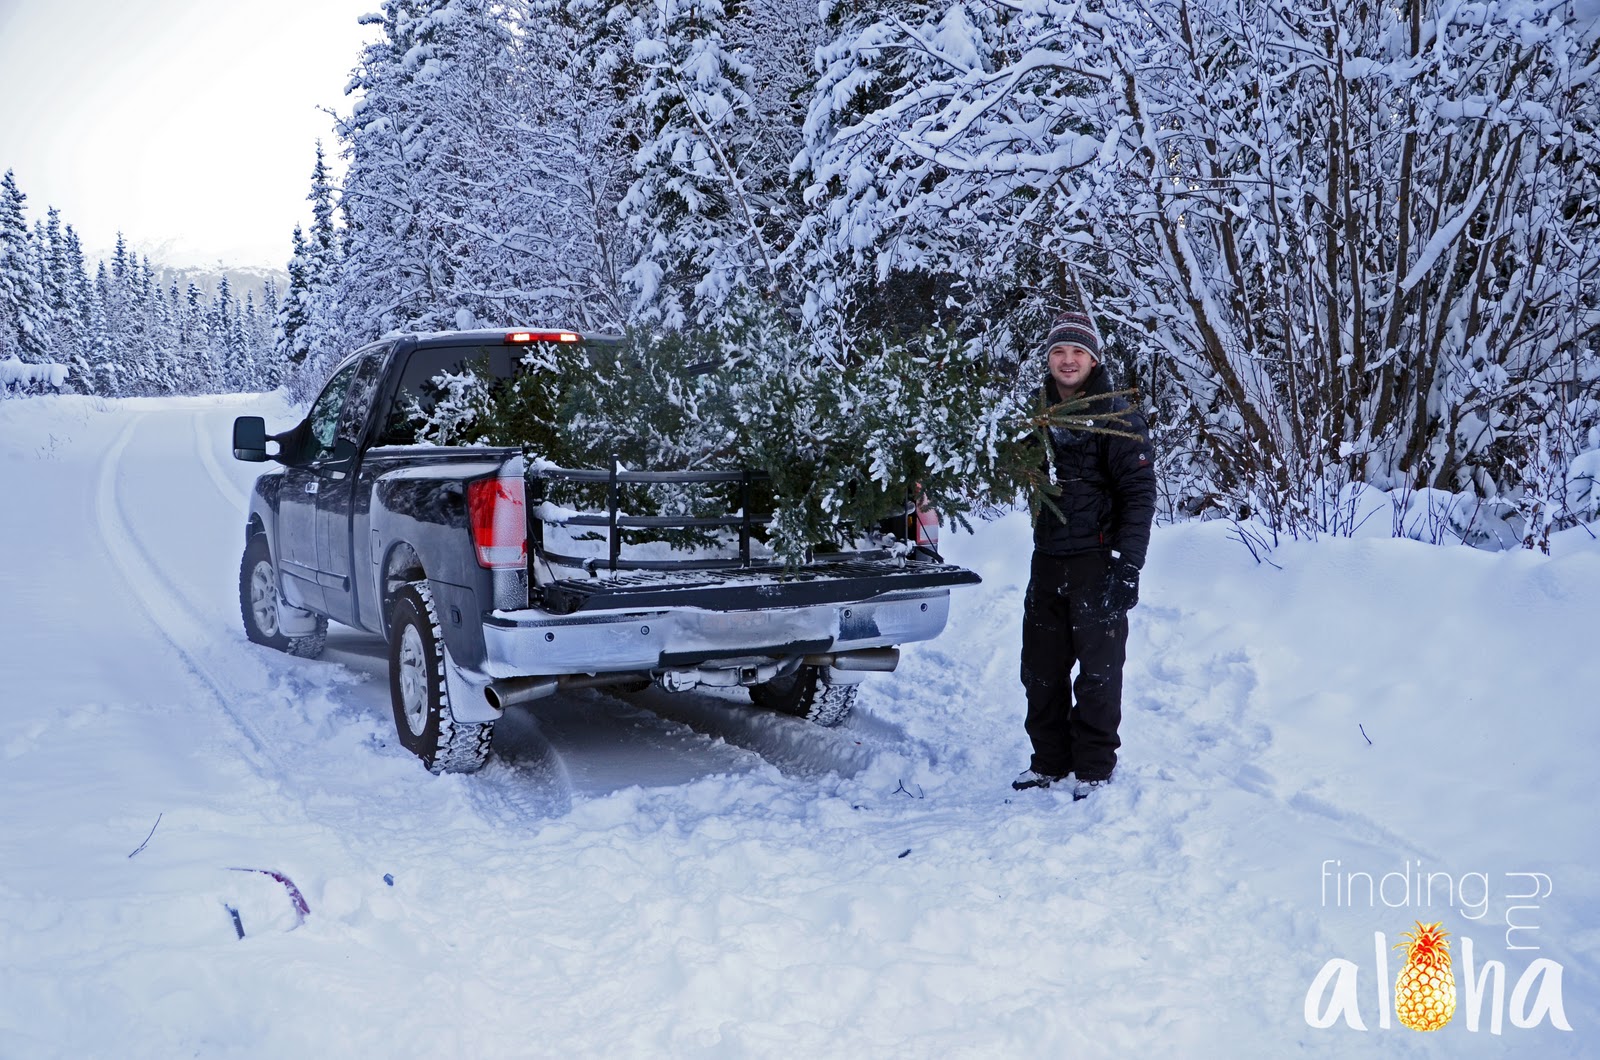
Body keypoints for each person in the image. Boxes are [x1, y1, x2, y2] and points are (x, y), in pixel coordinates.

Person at [1014, 309, 1156, 799]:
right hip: (1047, 559)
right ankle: (1049, 762)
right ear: (1048, 359)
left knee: (1099, 673)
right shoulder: (1035, 417)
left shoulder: (1117, 418)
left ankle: (1094, 767)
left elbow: (1139, 494)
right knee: (1040, 671)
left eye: (1078, 351)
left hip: (1099, 562)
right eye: (1059, 351)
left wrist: (1128, 565)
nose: (1068, 360)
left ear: (1093, 359)